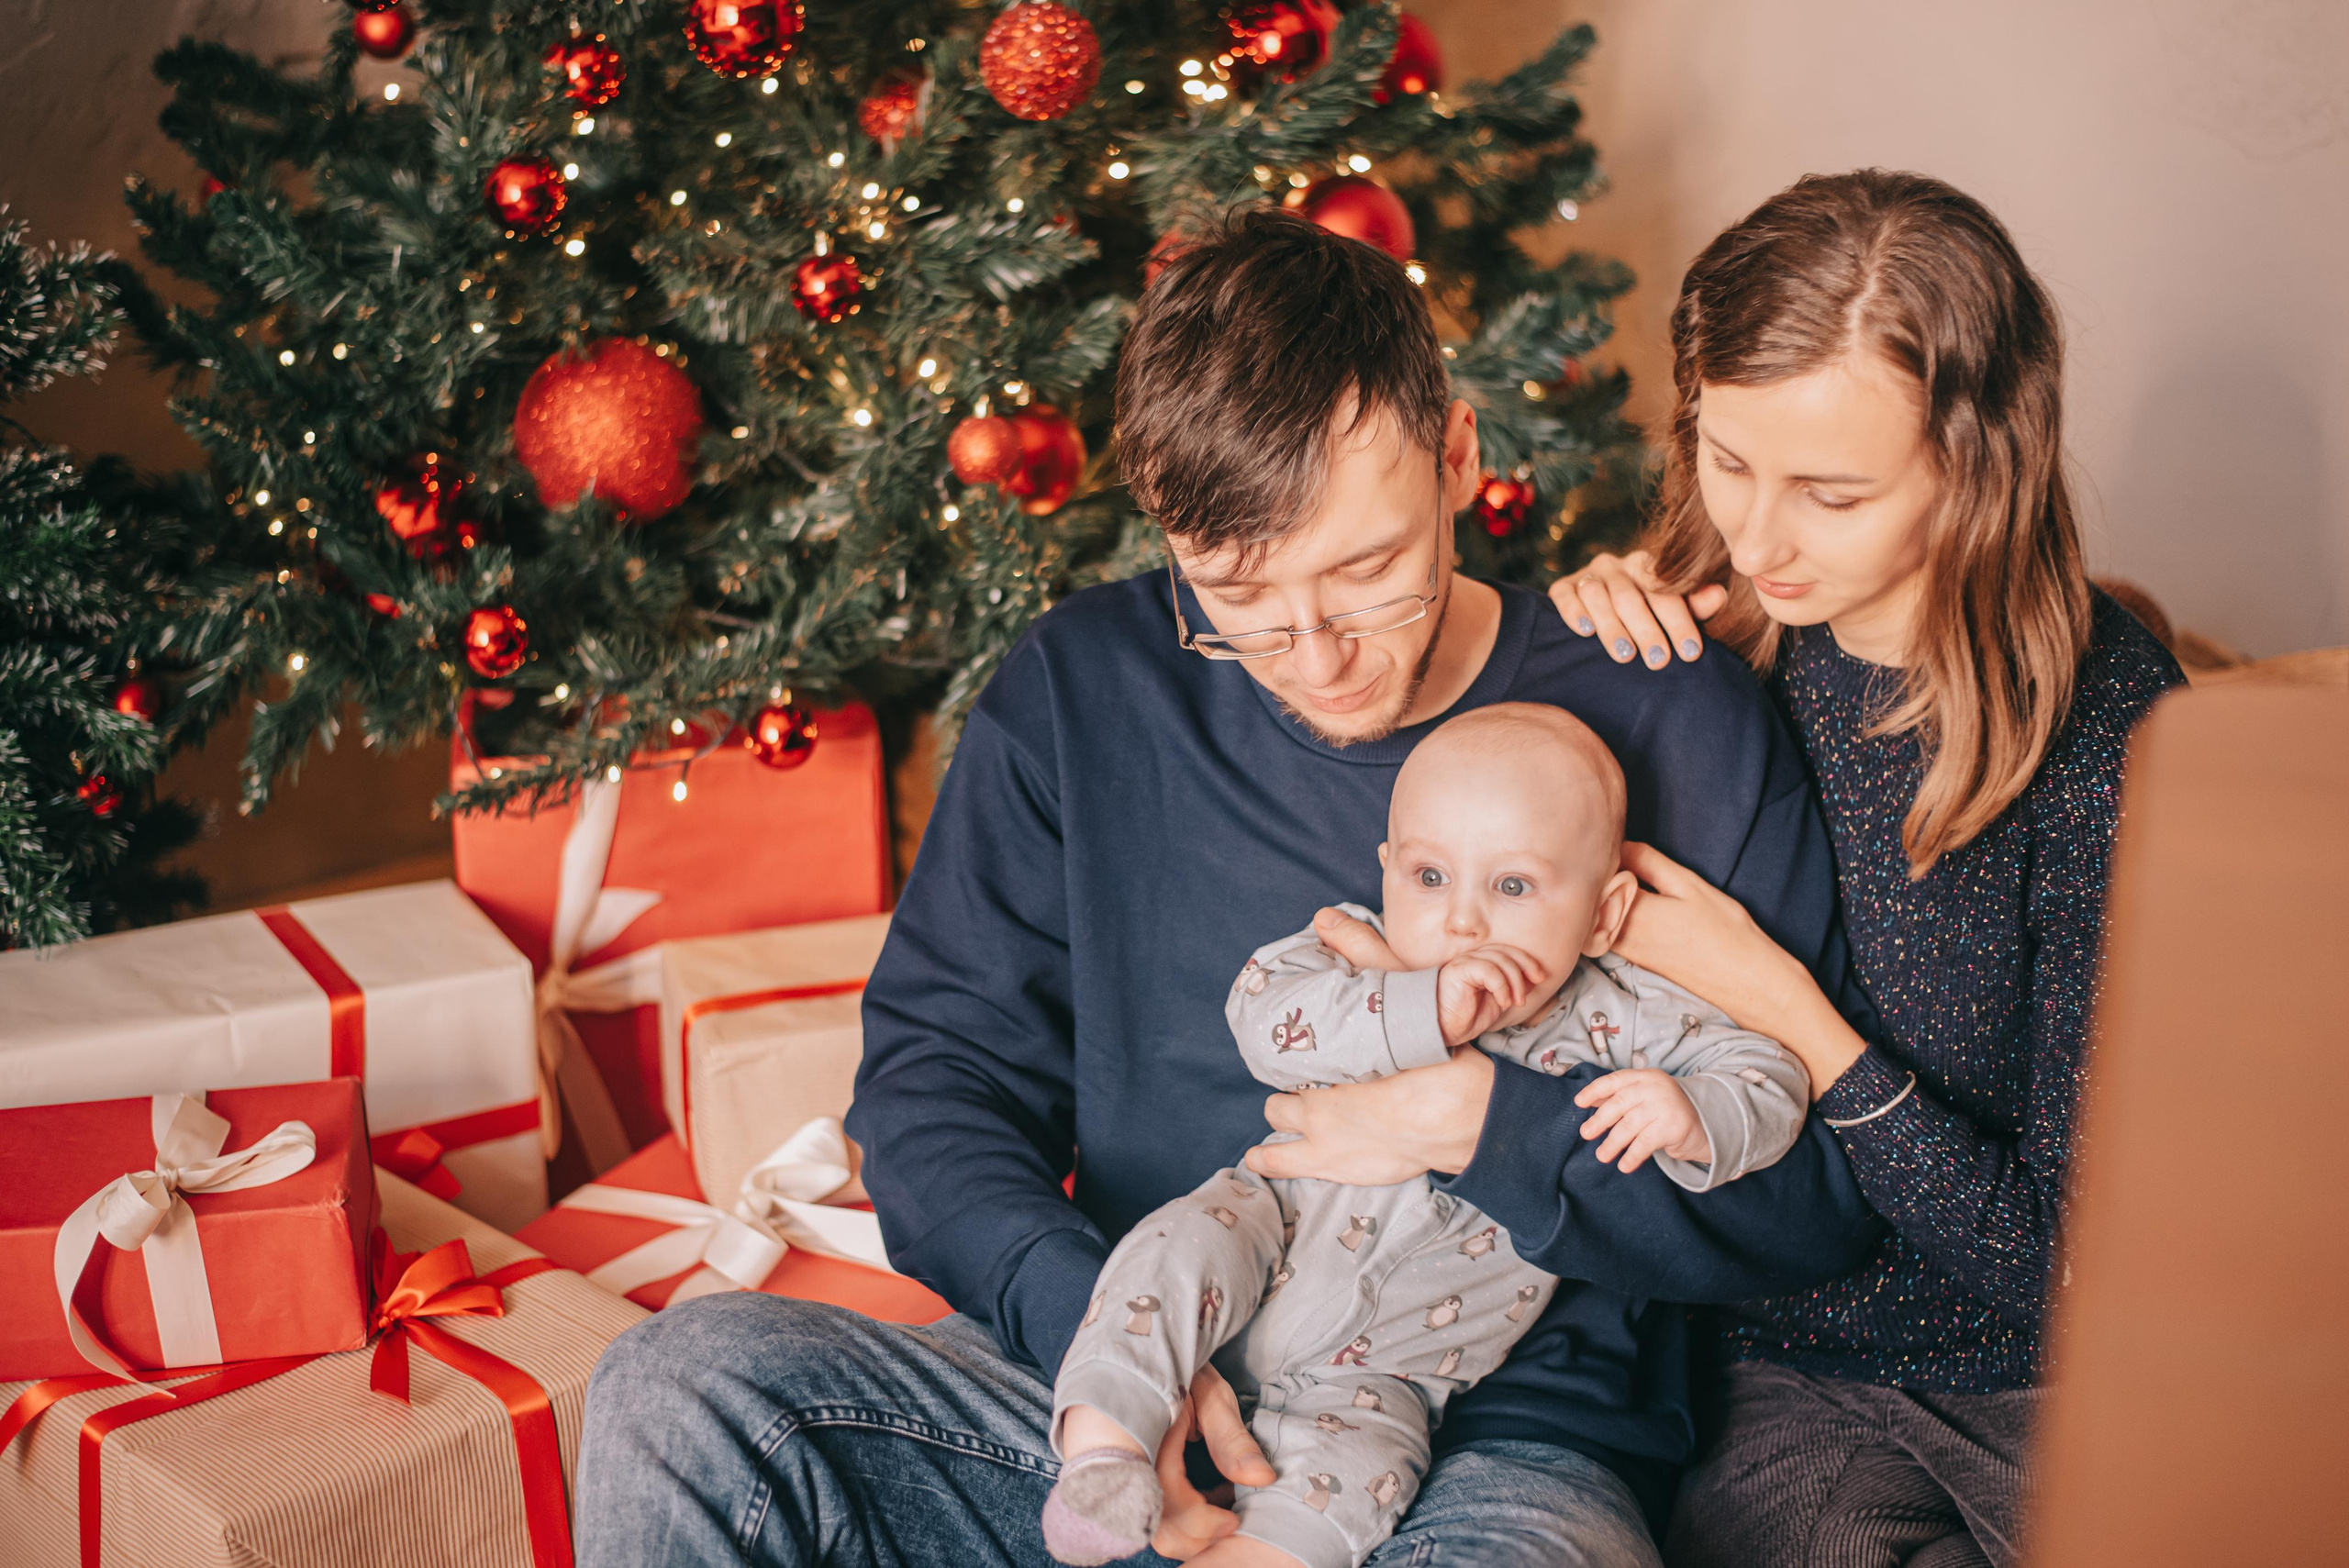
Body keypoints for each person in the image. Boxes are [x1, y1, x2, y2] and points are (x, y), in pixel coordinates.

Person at [573, 206, 1881, 1568]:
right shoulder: (1082, 686)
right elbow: (935, 1085)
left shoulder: (1666, 715)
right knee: (680, 1387)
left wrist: (1493, 1126)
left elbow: (1811, 1207)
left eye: (1367, 572)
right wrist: (1107, 1340)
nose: (1316, 656)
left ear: (1456, 455)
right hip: (1126, 1377)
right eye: (1237, 593)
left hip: (1494, 1454)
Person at [1545, 170, 2187, 1567]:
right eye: (1727, 460)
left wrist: (1787, 1009)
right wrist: (1566, 666)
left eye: (1830, 493)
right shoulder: (1700, 645)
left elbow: (2069, 1271)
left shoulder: (2111, 732)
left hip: (2046, 1377)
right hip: (1784, 1368)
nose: (1756, 538)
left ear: (1977, 465)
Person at [1042, 705, 1810, 1568]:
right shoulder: (1352, 948)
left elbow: (1770, 1071)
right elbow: (1262, 1012)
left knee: (1363, 1475)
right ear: (1388, 872)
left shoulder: (1621, 1016)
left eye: (1513, 887)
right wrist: (1420, 1009)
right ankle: (1105, 1451)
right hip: (1259, 1236)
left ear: (1604, 913)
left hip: (1389, 1370)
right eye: (1430, 877)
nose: (1462, 922)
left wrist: (1695, 1112)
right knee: (1171, 1251)